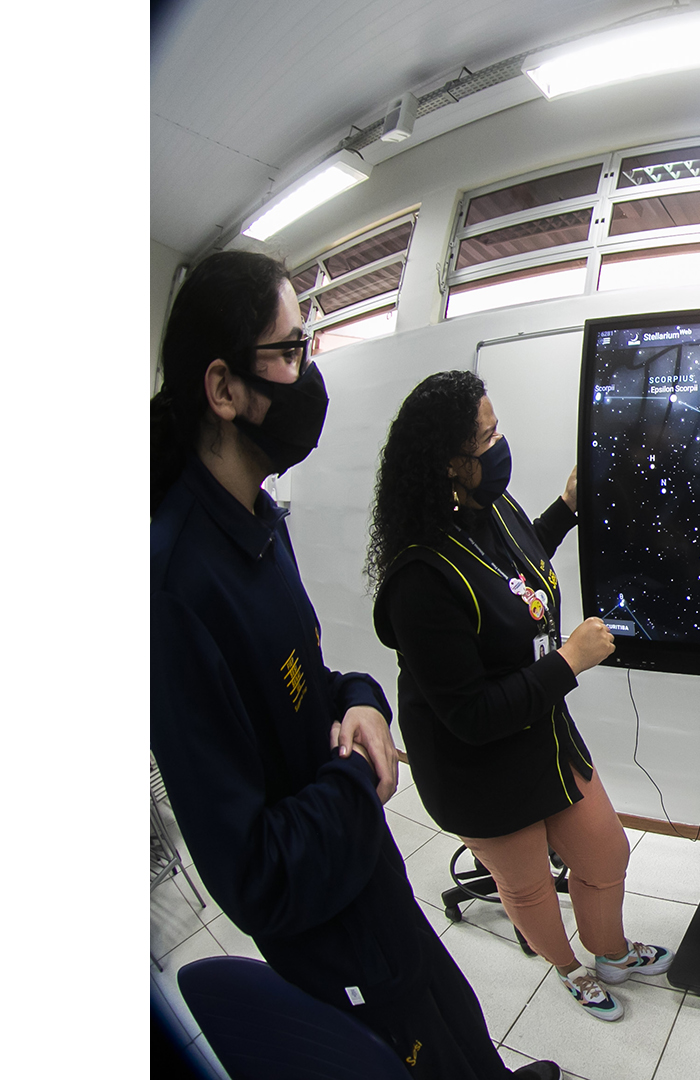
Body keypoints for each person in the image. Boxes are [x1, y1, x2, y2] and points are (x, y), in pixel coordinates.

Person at [151, 251, 558, 1080]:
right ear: (224, 388)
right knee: (414, 1048)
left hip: (363, 866)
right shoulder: (172, 590)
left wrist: (364, 699)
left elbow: (306, 681)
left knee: (450, 1005)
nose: (309, 372)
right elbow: (255, 875)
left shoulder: (257, 521)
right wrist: (353, 775)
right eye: (291, 349)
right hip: (324, 920)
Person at [368, 370, 674, 1023]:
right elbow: (471, 716)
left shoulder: (492, 508)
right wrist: (569, 662)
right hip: (477, 766)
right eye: (486, 438)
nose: (500, 444)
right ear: (450, 464)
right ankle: (569, 970)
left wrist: (565, 508)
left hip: (540, 728)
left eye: (496, 427)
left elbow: (515, 579)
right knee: (529, 884)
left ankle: (611, 952)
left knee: (606, 853)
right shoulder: (419, 581)